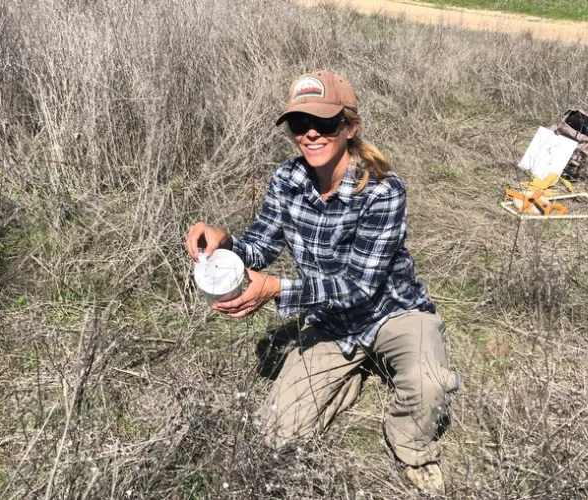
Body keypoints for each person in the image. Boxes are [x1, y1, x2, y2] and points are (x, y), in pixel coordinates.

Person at [185, 70, 459, 494]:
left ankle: (411, 445)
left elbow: (360, 287)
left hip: (392, 311)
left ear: (350, 126)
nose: (311, 134)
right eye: (299, 124)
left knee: (431, 383)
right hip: (330, 321)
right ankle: (351, 372)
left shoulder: (383, 191)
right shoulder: (286, 181)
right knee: (275, 434)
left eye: (326, 123)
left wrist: (276, 290)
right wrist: (227, 248)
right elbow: (262, 244)